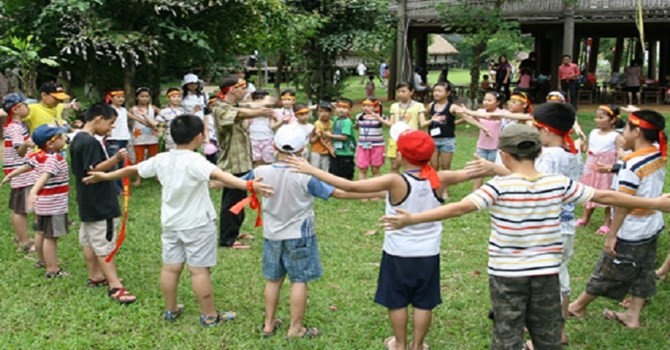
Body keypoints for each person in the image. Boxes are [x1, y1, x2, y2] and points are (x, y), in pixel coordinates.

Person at [380, 123, 670, 349]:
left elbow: (458, 208)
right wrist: (656, 203)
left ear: (503, 155)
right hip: (546, 273)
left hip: (506, 274)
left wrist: (412, 218)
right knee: (547, 334)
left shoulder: (498, 186)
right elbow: (606, 194)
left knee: (507, 333)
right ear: (539, 152)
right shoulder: (558, 182)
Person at [287, 130, 476, 350]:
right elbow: (468, 174)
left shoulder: (395, 180)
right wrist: (492, 167)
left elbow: (350, 186)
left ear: (401, 156)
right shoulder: (441, 178)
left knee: (397, 300)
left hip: (398, 253)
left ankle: (400, 344)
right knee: (424, 302)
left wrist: (311, 169)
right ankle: (418, 345)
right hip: (429, 253)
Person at [83, 114, 273, 325]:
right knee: (199, 271)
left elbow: (132, 169)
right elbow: (220, 176)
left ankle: (171, 310)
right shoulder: (196, 160)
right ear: (199, 136)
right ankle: (210, 316)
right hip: (198, 224)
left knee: (170, 268)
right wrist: (248, 185)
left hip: (171, 224)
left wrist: (106, 176)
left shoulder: (162, 158)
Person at [242, 124, 376, 339]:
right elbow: (338, 194)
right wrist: (372, 193)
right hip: (300, 235)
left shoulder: (260, 172)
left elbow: (239, 183)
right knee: (298, 280)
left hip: (272, 235)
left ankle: (268, 324)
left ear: (275, 145)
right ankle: (296, 328)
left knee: (273, 280)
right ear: (303, 147)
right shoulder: (306, 175)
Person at [568, 110, 667, 330]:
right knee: (644, 270)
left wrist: (612, 234)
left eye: (627, 130)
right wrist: (614, 166)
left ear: (638, 131)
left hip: (631, 229)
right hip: (652, 224)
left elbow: (623, 203)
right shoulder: (658, 153)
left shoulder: (632, 165)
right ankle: (633, 315)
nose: (622, 135)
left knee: (608, 270)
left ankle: (577, 306)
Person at [69, 103, 137, 303]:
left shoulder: (78, 139)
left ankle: (95, 275)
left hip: (86, 200)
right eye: (110, 122)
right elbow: (94, 170)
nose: (112, 127)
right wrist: (116, 159)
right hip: (101, 201)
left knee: (89, 239)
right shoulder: (89, 142)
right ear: (98, 118)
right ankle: (115, 286)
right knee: (104, 244)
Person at [212, 75, 274, 249]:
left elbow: (249, 106)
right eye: (243, 87)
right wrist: (260, 112)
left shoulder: (234, 104)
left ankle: (235, 231)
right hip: (232, 162)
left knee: (240, 198)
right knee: (231, 201)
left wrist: (263, 104)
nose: (246, 91)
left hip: (242, 161)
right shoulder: (220, 107)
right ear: (232, 89)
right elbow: (240, 114)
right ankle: (227, 239)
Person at [420, 82, 490, 197]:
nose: (436, 93)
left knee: (445, 166)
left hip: (447, 140)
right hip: (432, 140)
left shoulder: (452, 107)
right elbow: (420, 114)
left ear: (447, 93)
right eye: (434, 91)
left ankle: (444, 189)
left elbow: (467, 118)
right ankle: (434, 187)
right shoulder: (431, 105)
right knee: (434, 165)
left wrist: (483, 128)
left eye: (439, 91)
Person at [26, 125, 70, 278]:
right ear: (50, 143)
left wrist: (11, 175)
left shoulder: (39, 156)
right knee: (51, 237)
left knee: (41, 232)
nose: (64, 138)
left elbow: (27, 166)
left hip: (42, 204)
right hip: (54, 205)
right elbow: (45, 175)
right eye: (60, 136)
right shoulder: (54, 159)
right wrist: (33, 191)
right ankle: (52, 270)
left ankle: (42, 261)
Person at [576, 105, 621, 234]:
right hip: (592, 167)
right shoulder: (593, 132)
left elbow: (619, 153)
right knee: (590, 193)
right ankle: (585, 217)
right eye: (596, 117)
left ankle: (607, 222)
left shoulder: (615, 136)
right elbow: (589, 149)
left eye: (601, 117)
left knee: (607, 195)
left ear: (612, 120)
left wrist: (613, 168)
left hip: (606, 170)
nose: (597, 120)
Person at [1, 93, 36, 253]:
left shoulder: (17, 125)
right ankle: (24, 242)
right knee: (20, 209)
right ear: (16, 109)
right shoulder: (15, 128)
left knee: (21, 206)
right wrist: (27, 145)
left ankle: (19, 236)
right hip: (20, 172)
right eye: (25, 105)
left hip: (21, 171)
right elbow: (19, 151)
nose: (28, 108)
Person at [387, 82, 427, 173]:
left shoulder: (419, 106)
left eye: (403, 91)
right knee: (394, 165)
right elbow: (391, 123)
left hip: (412, 139)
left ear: (411, 92)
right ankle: (394, 185)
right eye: (398, 91)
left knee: (412, 165)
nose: (400, 94)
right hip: (395, 138)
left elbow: (422, 123)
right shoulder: (394, 106)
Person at [470, 91, 503, 190]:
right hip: (482, 146)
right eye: (485, 100)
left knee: (495, 171)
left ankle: (495, 191)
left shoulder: (502, 113)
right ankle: (475, 191)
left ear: (497, 102)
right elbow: (472, 117)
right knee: (479, 171)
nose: (486, 102)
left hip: (496, 147)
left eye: (489, 100)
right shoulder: (480, 112)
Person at [355, 98, 389, 188]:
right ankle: (363, 190)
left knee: (375, 169)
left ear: (375, 107)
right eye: (364, 105)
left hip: (377, 146)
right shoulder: (359, 116)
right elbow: (357, 126)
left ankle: (376, 190)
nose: (366, 108)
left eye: (369, 106)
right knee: (362, 168)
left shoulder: (382, 116)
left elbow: (388, 124)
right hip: (363, 146)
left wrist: (378, 117)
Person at [130, 87, 160, 186]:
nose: (144, 99)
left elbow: (163, 115)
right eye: (142, 96)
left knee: (154, 157)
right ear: (137, 97)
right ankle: (138, 178)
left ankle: (157, 175)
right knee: (139, 158)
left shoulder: (153, 108)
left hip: (152, 136)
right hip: (139, 137)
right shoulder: (133, 109)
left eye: (147, 96)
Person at [249, 90, 280, 167]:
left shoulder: (270, 112)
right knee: (256, 161)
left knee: (268, 161)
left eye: (262, 99)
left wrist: (281, 121)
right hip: (253, 138)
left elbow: (272, 125)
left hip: (267, 138)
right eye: (257, 99)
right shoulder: (249, 111)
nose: (259, 101)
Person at [328, 98, 356, 180]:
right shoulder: (336, 119)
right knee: (334, 173)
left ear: (349, 110)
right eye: (339, 107)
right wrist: (331, 146)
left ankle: (347, 191)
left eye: (345, 107)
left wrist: (330, 135)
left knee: (346, 174)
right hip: (336, 152)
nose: (341, 110)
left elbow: (344, 137)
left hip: (346, 153)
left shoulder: (347, 122)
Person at [309, 101, 335, 171]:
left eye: (326, 111)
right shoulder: (317, 123)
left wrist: (330, 147)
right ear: (318, 113)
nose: (324, 114)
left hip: (326, 151)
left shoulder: (332, 123)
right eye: (321, 111)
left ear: (330, 113)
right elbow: (320, 139)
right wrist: (330, 149)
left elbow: (332, 137)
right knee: (315, 169)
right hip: (316, 150)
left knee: (326, 169)